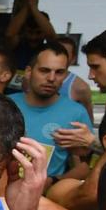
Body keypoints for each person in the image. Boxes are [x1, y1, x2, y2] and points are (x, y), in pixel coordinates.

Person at [9, 42, 95, 179]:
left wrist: (54, 182)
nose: (51, 78)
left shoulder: (76, 113)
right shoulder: (6, 105)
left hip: (45, 195)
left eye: (59, 72)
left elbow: (85, 165)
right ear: (29, 72)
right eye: (44, 70)